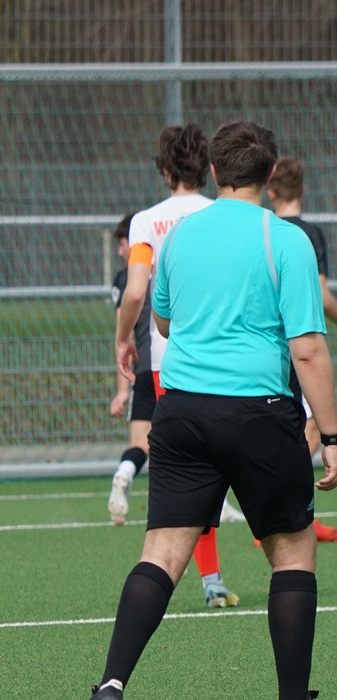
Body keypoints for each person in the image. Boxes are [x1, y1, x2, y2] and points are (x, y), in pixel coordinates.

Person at [90, 120, 337, 700]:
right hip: (260, 413)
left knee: (161, 555)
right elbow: (307, 350)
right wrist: (332, 436)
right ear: (269, 174)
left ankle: (111, 685)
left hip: (182, 414)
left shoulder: (178, 237)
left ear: (216, 171)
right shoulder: (286, 240)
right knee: (293, 553)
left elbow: (164, 322)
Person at [114, 124, 239, 609]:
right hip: (230, 357)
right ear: (208, 168)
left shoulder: (147, 222)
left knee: (189, 470)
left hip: (172, 363)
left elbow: (135, 292)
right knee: (234, 462)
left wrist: (123, 337)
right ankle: (218, 577)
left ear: (165, 170)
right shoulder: (223, 213)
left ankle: (196, 575)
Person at [267, 155, 337, 543]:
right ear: (304, 190)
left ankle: (286, 513)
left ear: (270, 192)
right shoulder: (308, 234)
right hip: (300, 343)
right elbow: (322, 298)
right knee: (312, 426)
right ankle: (283, 513)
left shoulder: (265, 230)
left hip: (266, 345)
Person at [107, 213, 153, 525]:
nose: (120, 251)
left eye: (123, 244)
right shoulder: (168, 268)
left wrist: (123, 390)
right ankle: (217, 506)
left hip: (145, 370)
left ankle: (124, 472)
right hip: (179, 369)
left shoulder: (125, 279)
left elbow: (122, 336)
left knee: (140, 443)